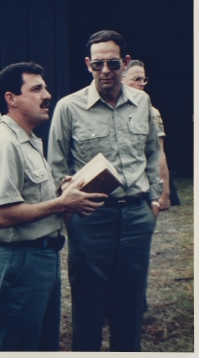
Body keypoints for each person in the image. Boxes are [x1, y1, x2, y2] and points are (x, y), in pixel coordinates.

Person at [0, 62, 106, 351]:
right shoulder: (4, 144)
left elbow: (30, 198)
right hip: (19, 262)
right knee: (19, 346)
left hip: (40, 259)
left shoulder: (29, 141)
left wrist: (64, 193)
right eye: (36, 89)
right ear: (11, 99)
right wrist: (60, 203)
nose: (47, 94)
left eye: (45, 87)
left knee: (44, 346)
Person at [48, 30, 162, 351]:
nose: (106, 71)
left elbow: (152, 153)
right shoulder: (68, 108)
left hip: (137, 216)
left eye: (113, 63)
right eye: (98, 64)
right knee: (88, 307)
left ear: (125, 63)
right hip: (92, 219)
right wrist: (72, 218)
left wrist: (153, 200)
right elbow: (56, 168)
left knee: (130, 306)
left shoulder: (142, 102)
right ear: (88, 64)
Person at [122, 59, 179, 210]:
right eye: (136, 79)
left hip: (142, 187)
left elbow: (159, 153)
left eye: (144, 79)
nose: (142, 83)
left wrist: (165, 191)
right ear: (121, 79)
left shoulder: (150, 111)